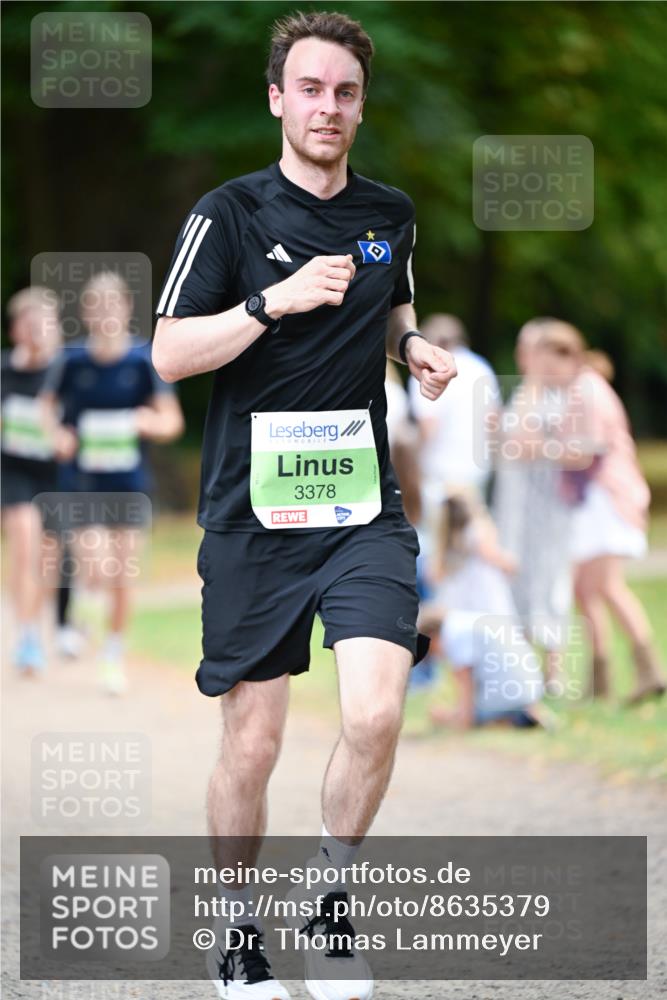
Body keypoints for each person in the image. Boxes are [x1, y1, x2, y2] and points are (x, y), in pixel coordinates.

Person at [152, 11, 456, 999]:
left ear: (361, 107)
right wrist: (268, 304)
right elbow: (170, 354)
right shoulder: (229, 214)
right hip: (254, 518)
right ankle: (235, 930)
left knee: (375, 711)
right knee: (254, 741)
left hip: (360, 508)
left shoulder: (390, 213)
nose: (329, 107)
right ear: (278, 99)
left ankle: (327, 904)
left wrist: (412, 348)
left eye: (345, 93)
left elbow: (393, 304)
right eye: (312, 89)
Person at [43, 271, 184, 694]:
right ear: (86, 313)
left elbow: (171, 421)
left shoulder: (143, 360)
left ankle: (113, 654)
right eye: (96, 307)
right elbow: (45, 408)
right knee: (96, 563)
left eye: (112, 306)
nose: (105, 314)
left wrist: (147, 421)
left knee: (122, 574)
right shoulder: (71, 361)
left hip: (130, 483)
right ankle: (82, 610)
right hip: (82, 482)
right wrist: (57, 436)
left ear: (126, 310)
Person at [536, 321, 666, 705]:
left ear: (567, 357)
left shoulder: (586, 389)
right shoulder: (581, 388)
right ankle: (601, 678)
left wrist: (544, 448)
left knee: (607, 586)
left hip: (605, 499)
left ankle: (648, 668)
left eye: (549, 366)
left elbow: (587, 449)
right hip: (592, 502)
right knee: (586, 590)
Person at [420, 491, 549, 729]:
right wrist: (509, 564)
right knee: (502, 654)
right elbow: (502, 560)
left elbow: (433, 574)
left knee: (476, 669)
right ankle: (523, 708)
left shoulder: (450, 543)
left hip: (464, 605)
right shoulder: (477, 531)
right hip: (487, 602)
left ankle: (489, 712)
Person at [493, 319, 574, 692]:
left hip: (547, 509)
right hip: (515, 509)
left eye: (529, 348)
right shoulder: (522, 391)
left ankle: (554, 673)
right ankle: (527, 674)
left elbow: (525, 441)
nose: (521, 355)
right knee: (518, 586)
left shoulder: (553, 397)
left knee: (550, 582)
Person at [1, 287, 62, 673]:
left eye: (45, 322)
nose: (37, 330)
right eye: (30, 323)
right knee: (25, 544)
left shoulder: (65, 372)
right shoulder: (4, 370)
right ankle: (25, 635)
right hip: (12, 471)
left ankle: (36, 627)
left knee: (47, 558)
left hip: (53, 474)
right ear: (15, 330)